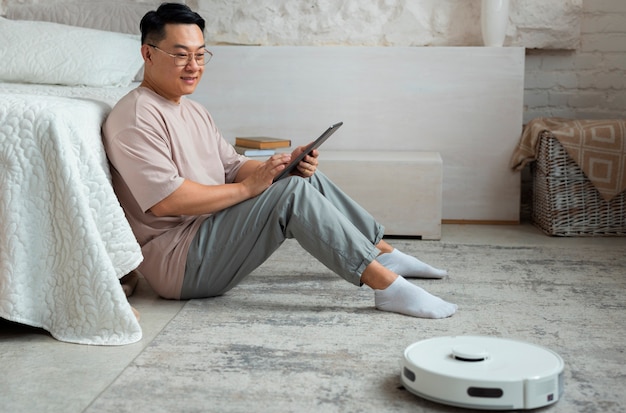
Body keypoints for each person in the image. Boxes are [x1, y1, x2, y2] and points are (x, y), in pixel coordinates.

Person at [103, 2, 457, 319]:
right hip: (178, 261)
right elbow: (167, 202)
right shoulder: (135, 116)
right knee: (290, 195)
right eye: (181, 55)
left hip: (207, 232)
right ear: (147, 55)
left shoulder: (193, 110)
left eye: (200, 55)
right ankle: (387, 288)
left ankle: (383, 252)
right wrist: (248, 188)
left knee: (299, 178)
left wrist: (282, 165)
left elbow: (232, 166)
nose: (193, 66)